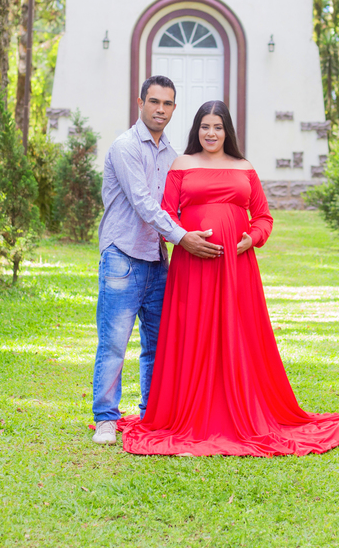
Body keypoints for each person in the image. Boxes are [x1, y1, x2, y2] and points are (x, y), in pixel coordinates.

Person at [118, 100, 339, 456]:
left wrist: (252, 239)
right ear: (196, 130)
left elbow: (263, 217)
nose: (211, 133)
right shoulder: (181, 165)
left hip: (236, 267)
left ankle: (241, 406)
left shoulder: (244, 168)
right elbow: (167, 214)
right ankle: (190, 411)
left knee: (238, 333)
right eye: (204, 127)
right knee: (194, 330)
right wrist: (186, 237)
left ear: (227, 130)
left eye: (217, 127)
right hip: (192, 265)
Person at [91, 76, 222, 446]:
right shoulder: (125, 147)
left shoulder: (171, 154)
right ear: (140, 102)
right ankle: (105, 419)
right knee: (115, 342)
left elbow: (180, 204)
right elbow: (145, 203)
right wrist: (184, 237)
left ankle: (150, 413)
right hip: (123, 256)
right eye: (154, 102)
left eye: (167, 104)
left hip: (157, 259)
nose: (160, 109)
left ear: (174, 109)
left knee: (158, 343)